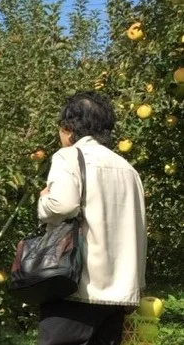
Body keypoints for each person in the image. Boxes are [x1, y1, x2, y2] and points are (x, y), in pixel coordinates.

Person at [37, 92, 147, 345]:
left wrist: (43, 201)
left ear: (68, 128)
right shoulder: (128, 170)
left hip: (76, 289)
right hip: (118, 295)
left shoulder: (69, 157)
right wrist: (137, 287)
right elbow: (139, 232)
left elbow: (62, 205)